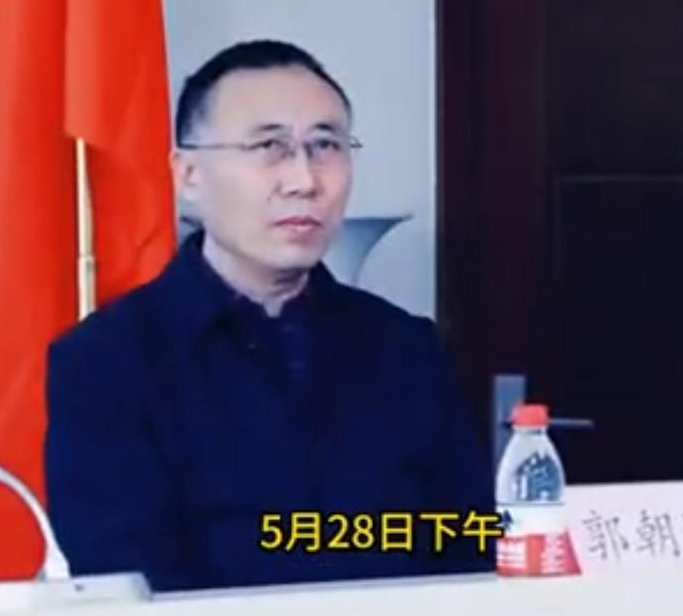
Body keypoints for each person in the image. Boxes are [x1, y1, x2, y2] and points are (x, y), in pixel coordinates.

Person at [44, 40, 492, 591]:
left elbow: (467, 539)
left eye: (325, 145)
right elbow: (125, 578)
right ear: (189, 175)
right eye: (269, 146)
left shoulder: (406, 348)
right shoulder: (104, 362)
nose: (304, 180)